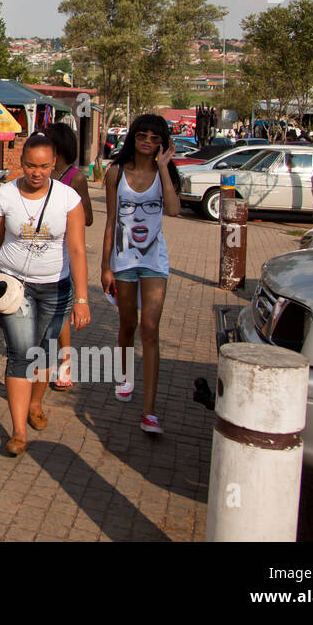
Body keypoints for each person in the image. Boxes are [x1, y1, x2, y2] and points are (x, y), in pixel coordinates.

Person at [0, 132, 90, 457]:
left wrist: (83, 298)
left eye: (44, 166)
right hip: (16, 285)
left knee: (44, 351)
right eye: (30, 165)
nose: (36, 173)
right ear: (21, 162)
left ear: (54, 163)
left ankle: (35, 403)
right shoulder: (3, 196)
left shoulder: (68, 198)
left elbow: (76, 249)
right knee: (20, 353)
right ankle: (17, 431)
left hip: (55, 288)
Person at [100, 113, 182, 435]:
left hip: (154, 261)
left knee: (150, 327)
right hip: (122, 261)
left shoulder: (165, 173)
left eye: (155, 138)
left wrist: (163, 167)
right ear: (132, 136)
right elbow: (109, 221)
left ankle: (149, 411)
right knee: (127, 325)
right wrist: (105, 266)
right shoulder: (115, 172)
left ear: (162, 143)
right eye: (142, 135)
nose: (148, 141)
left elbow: (173, 210)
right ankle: (124, 374)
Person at [46, 122, 93, 391]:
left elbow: (88, 218)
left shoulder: (75, 177)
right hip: (41, 249)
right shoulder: (42, 172)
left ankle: (65, 363)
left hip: (65, 251)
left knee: (61, 313)